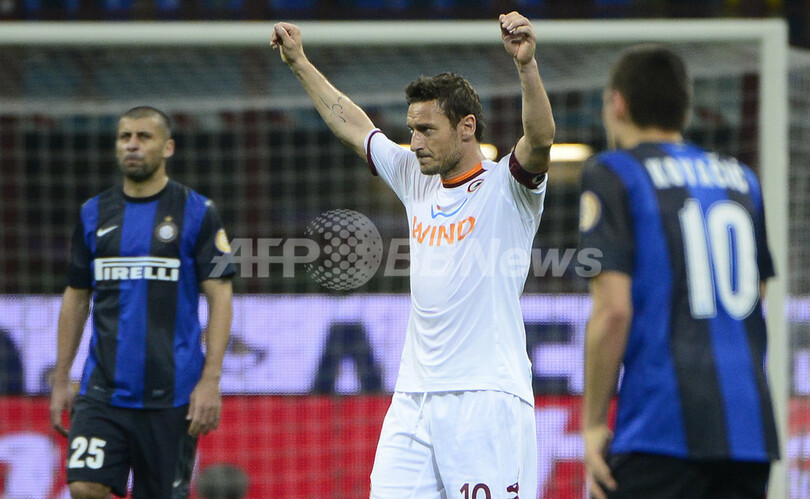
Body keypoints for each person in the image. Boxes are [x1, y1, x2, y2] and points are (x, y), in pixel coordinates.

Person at [272, 11, 555, 498]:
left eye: (427, 130)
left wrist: (526, 66)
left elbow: (541, 139)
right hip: (414, 397)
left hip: (484, 395)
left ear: (466, 127)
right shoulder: (414, 178)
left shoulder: (508, 186)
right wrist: (299, 62)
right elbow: (354, 126)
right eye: (411, 130)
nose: (415, 142)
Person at [579, 45, 779, 499]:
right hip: (749, 430)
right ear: (683, 109)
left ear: (618, 104)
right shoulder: (742, 179)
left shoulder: (613, 172)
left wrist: (592, 424)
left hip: (659, 426)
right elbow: (757, 291)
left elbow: (613, 312)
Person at [48, 106, 236, 499]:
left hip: (173, 395)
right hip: (103, 390)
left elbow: (220, 296)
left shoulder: (198, 211)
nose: (132, 145)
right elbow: (76, 296)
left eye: (143, 137)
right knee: (84, 486)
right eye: (125, 137)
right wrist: (62, 378)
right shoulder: (93, 213)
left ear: (168, 147)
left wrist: (211, 381)